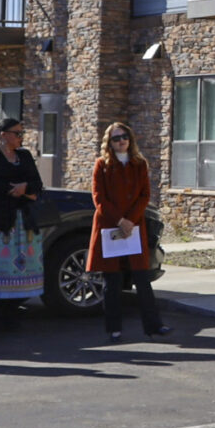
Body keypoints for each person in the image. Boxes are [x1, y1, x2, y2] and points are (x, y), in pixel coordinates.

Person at [90, 122, 164, 341]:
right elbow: (99, 198)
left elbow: (144, 195)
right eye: (115, 138)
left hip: (133, 228)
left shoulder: (139, 164)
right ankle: (114, 328)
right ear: (109, 143)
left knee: (142, 279)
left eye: (124, 137)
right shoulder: (101, 165)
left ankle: (154, 326)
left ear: (130, 139)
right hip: (110, 227)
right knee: (112, 281)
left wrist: (130, 221)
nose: (121, 141)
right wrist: (119, 220)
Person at [0, 117, 46, 309]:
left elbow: (37, 184)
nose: (20, 137)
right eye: (17, 133)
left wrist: (25, 188)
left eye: (21, 133)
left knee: (21, 270)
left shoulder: (23, 155)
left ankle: (15, 309)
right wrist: (18, 191)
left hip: (23, 222)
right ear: (3, 135)